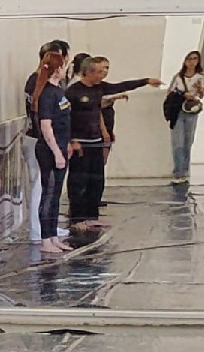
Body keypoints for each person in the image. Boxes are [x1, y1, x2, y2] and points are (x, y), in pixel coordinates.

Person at [65, 58, 161, 228]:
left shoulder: (99, 88)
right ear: (89, 72)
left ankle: (91, 215)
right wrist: (71, 140)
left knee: (96, 180)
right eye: (100, 71)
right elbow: (65, 118)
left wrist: (145, 81)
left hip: (96, 142)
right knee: (78, 181)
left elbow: (121, 86)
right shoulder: (73, 91)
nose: (104, 74)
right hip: (81, 143)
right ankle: (77, 218)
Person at [24, 40, 70, 240]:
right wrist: (57, 151)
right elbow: (45, 124)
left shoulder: (54, 89)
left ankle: (48, 233)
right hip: (43, 143)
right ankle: (40, 233)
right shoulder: (42, 88)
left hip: (53, 143)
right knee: (43, 191)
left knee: (51, 192)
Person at [31, 53, 77, 254]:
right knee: (48, 193)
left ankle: (53, 236)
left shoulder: (58, 91)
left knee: (56, 194)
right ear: (58, 69)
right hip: (49, 150)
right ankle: (45, 239)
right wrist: (57, 152)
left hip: (60, 146)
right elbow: (46, 127)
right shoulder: (47, 94)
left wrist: (65, 145)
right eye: (64, 66)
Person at [169, 51, 204, 184]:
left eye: (195, 59)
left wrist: (199, 89)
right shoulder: (178, 77)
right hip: (178, 110)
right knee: (177, 142)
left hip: (191, 111)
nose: (192, 62)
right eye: (189, 59)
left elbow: (201, 95)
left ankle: (185, 170)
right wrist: (183, 94)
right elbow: (170, 92)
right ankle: (178, 172)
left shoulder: (199, 77)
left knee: (187, 142)